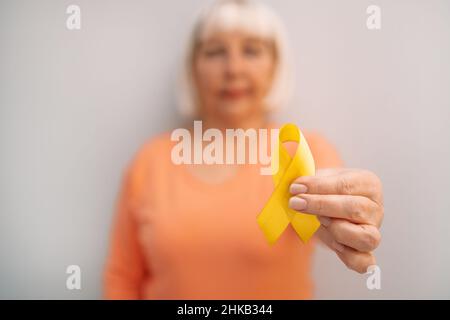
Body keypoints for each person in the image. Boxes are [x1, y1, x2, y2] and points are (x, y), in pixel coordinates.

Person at [103, 0, 383, 299]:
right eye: (214, 52)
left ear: (275, 65)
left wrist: (352, 217)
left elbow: (328, 218)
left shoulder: (301, 151)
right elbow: (122, 277)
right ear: (193, 67)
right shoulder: (150, 161)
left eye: (251, 50)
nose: (233, 68)